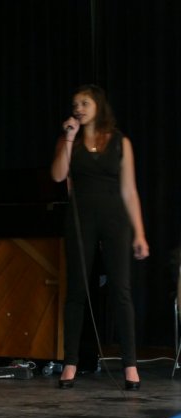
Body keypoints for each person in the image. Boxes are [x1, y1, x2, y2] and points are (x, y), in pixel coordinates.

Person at [51, 84, 149, 390]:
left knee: (121, 289)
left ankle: (130, 365)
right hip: (80, 219)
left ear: (98, 106)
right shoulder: (70, 141)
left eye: (84, 103)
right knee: (77, 290)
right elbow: (58, 176)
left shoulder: (120, 141)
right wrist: (69, 138)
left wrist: (140, 233)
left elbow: (129, 190)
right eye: (75, 104)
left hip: (115, 219)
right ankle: (70, 362)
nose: (78, 109)